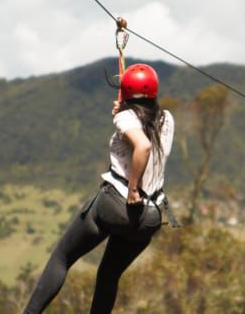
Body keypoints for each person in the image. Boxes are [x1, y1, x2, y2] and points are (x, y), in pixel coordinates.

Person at [23, 63, 175, 314]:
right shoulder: (167, 118)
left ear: (125, 93)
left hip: (118, 205)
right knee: (108, 275)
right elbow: (145, 126)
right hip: (150, 217)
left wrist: (133, 189)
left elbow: (143, 146)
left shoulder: (124, 117)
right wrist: (124, 113)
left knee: (62, 257)